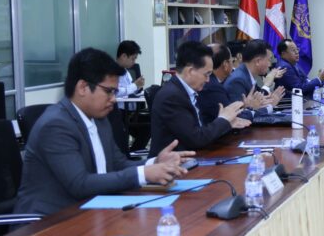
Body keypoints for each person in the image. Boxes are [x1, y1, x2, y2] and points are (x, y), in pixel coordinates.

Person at [14, 48, 191, 216]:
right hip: (50, 223)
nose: (114, 99)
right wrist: (144, 174)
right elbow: (80, 184)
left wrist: (154, 163)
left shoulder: (99, 119)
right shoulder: (56, 125)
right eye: (109, 91)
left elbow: (118, 164)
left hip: (93, 211)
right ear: (83, 87)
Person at [148, 41, 251, 156]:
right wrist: (223, 119)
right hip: (171, 163)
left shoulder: (186, 91)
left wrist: (227, 123)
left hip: (193, 157)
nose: (208, 80)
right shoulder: (172, 97)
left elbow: (200, 130)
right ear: (190, 71)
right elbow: (196, 139)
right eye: (206, 74)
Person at [198, 44, 267, 125]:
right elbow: (234, 117)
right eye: (232, 60)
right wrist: (251, 108)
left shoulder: (216, 82)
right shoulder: (213, 87)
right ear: (225, 64)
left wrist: (245, 106)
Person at [112, 40, 151, 153]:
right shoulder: (112, 71)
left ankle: (135, 151)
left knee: (150, 123)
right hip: (119, 112)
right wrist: (135, 85)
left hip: (130, 112)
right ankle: (129, 154)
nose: (134, 62)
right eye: (133, 58)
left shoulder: (126, 72)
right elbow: (115, 92)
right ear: (124, 56)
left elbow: (129, 90)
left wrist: (138, 88)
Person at [224, 39, 286, 105]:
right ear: (258, 61)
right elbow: (242, 110)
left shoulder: (246, 75)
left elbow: (256, 102)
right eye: (269, 60)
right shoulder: (237, 80)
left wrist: (271, 101)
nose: (270, 65)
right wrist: (267, 84)